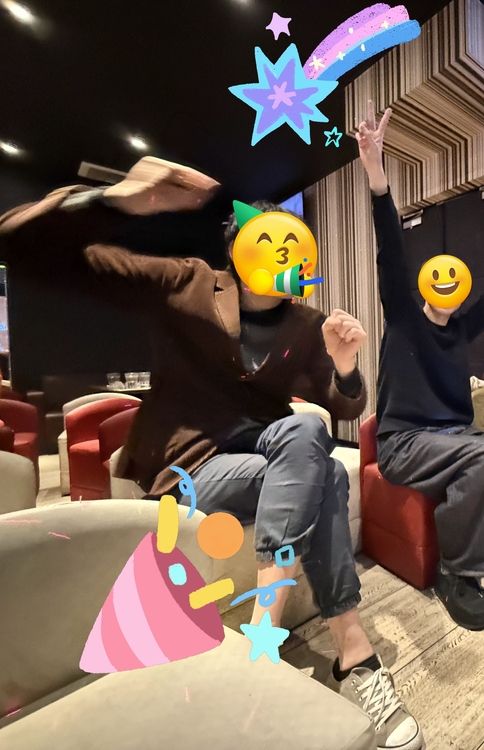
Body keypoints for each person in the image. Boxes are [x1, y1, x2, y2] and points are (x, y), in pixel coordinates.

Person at [0, 159, 424, 750]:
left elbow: (342, 405)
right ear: (237, 250)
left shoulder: (306, 322)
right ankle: (346, 649)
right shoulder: (186, 282)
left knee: (313, 443)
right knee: (326, 471)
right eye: (269, 242)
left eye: (295, 246)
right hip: (191, 465)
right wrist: (120, 200)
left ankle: (273, 638)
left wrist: (346, 367)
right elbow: (24, 244)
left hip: (269, 455)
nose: (285, 255)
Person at [354, 101, 484, 632]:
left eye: (454, 282)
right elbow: (391, 251)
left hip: (451, 434)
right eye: (436, 278)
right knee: (482, 456)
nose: (446, 286)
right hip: (404, 442)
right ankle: (456, 572)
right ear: (423, 285)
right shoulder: (403, 317)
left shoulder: (459, 326)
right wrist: (377, 177)